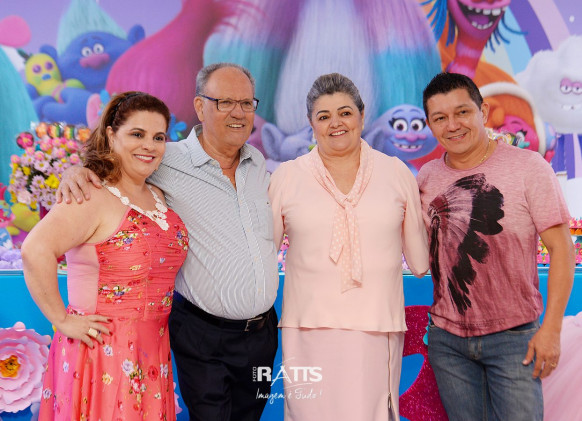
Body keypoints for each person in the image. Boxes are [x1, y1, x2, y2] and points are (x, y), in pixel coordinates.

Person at [56, 63, 279, 421]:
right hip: (204, 334)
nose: (238, 112)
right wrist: (77, 171)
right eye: (225, 102)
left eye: (246, 103)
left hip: (262, 335)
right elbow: (114, 169)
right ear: (200, 106)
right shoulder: (164, 158)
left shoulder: (258, 164)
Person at [268, 73, 429, 420]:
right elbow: (263, 256)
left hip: (376, 327)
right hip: (307, 328)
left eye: (345, 113)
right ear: (311, 123)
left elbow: (419, 262)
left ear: (362, 115)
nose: (336, 123)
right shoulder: (287, 176)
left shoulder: (396, 173)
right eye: (324, 116)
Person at [417, 72, 576, 421]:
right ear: (430, 125)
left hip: (514, 339)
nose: (452, 125)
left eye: (462, 112)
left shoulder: (529, 167)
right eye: (440, 118)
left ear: (483, 112)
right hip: (448, 342)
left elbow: (562, 249)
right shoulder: (426, 177)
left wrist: (551, 330)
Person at [22, 91, 189, 420]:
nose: (149, 145)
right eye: (137, 134)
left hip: (153, 351)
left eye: (158, 137)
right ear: (111, 136)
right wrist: (62, 320)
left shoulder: (157, 194)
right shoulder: (90, 193)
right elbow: (34, 250)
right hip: (100, 354)